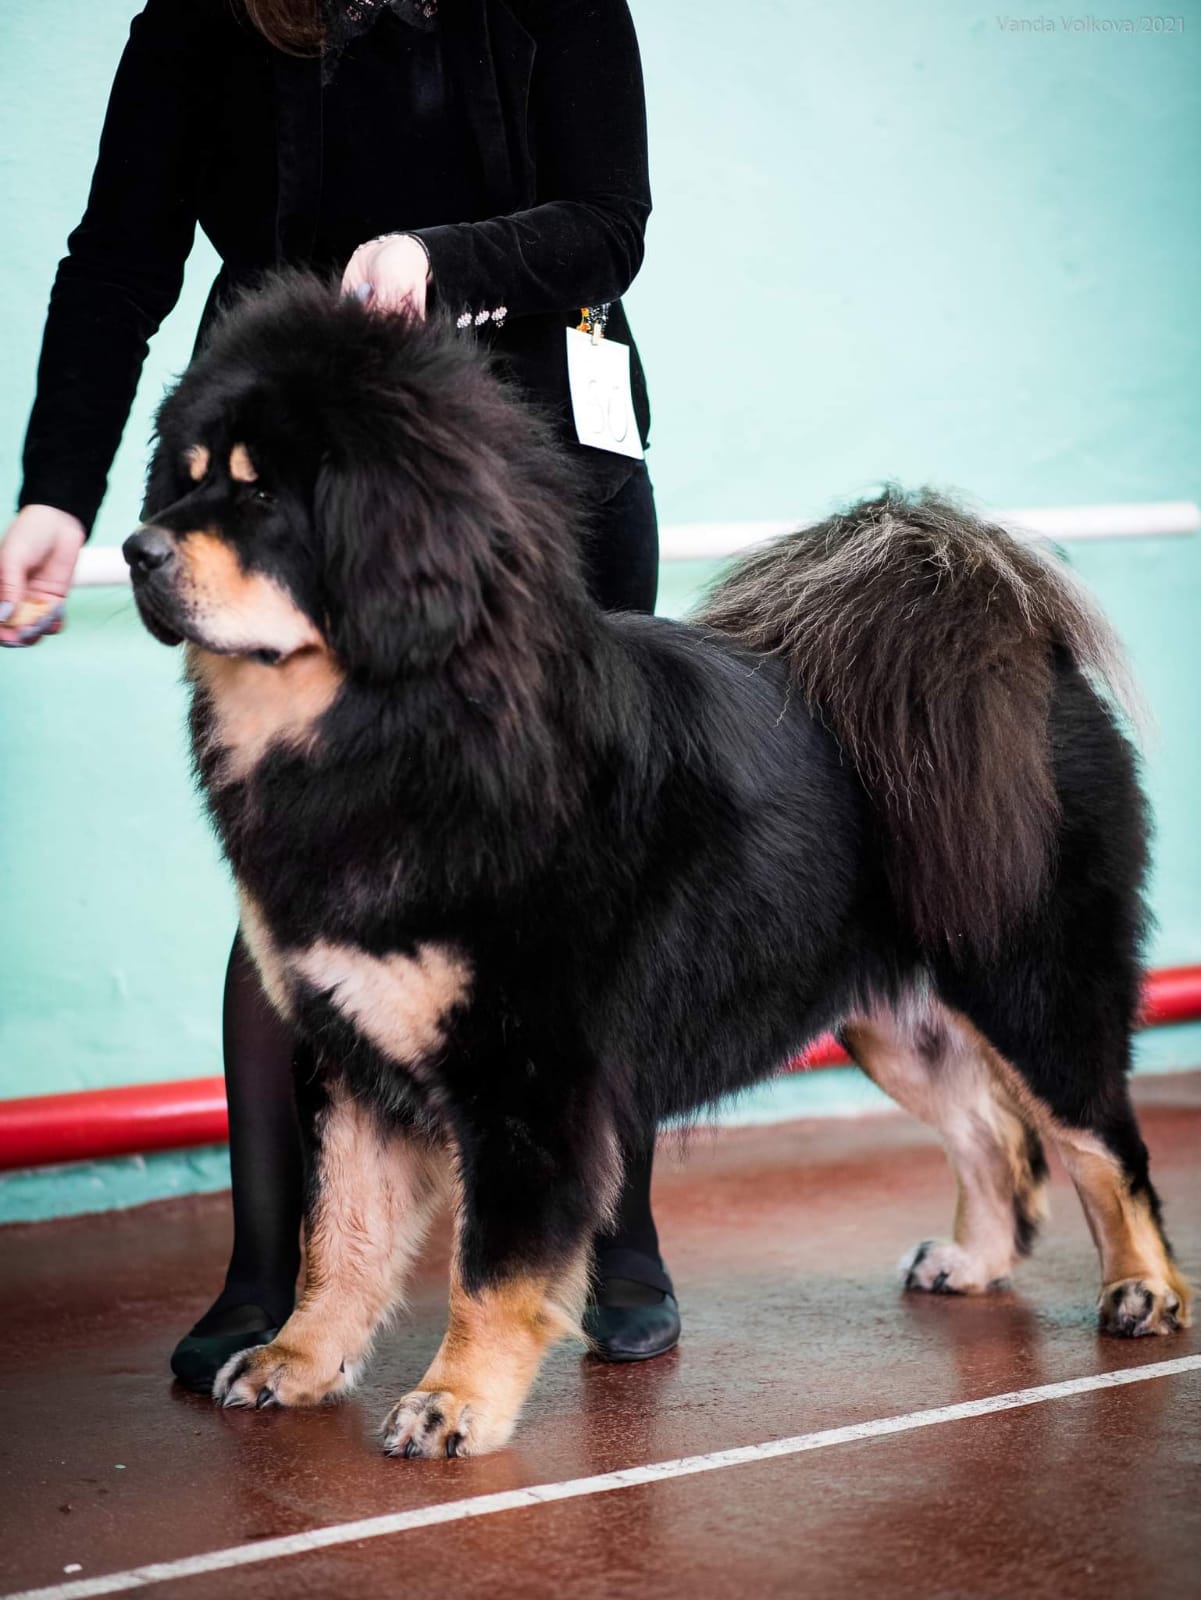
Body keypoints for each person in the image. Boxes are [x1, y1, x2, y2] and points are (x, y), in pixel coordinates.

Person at [2, 0, 680, 1386]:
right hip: (276, 500)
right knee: (296, 867)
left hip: (535, 479)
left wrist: (436, 258)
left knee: (581, 883)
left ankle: (618, 1235)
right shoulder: (196, 21)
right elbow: (118, 259)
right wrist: (54, 493)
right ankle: (268, 1267)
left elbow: (609, 224)